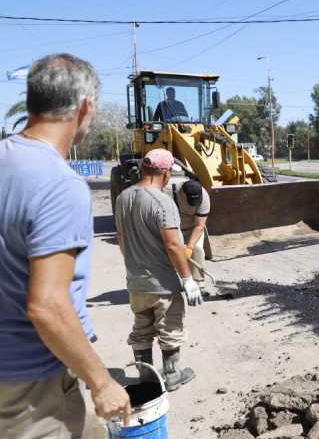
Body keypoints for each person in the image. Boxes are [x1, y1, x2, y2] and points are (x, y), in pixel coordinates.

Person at [0, 53, 131, 437]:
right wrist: (102, 382)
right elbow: (47, 306)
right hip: (31, 384)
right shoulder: (59, 184)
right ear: (85, 107)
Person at [114, 148, 203, 392]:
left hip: (135, 282)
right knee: (170, 328)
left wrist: (135, 264)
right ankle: (172, 376)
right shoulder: (162, 202)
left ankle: (147, 378)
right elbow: (173, 244)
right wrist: (188, 279)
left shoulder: (123, 198)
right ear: (163, 172)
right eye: (169, 174)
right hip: (161, 282)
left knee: (141, 328)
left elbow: (121, 239)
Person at [167, 178, 211, 297]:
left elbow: (199, 225)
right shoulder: (166, 192)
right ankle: (170, 284)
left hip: (193, 227)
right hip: (172, 227)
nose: (194, 203)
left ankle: (199, 285)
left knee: (197, 250)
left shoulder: (204, 197)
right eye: (190, 200)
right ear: (182, 193)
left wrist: (190, 247)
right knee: (170, 253)